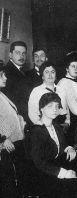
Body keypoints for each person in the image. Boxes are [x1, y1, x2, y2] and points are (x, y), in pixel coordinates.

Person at [29, 92, 77, 198]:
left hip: (56, 165)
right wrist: (63, 173)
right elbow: (38, 162)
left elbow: (62, 145)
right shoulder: (36, 131)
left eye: (56, 106)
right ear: (42, 109)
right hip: (44, 173)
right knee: (74, 185)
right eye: (50, 106)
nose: (54, 109)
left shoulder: (56, 126)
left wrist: (69, 149)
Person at [0, 65, 26, 197]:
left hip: (13, 144)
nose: (5, 77)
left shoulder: (1, 93)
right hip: (4, 147)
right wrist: (2, 139)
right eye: (1, 75)